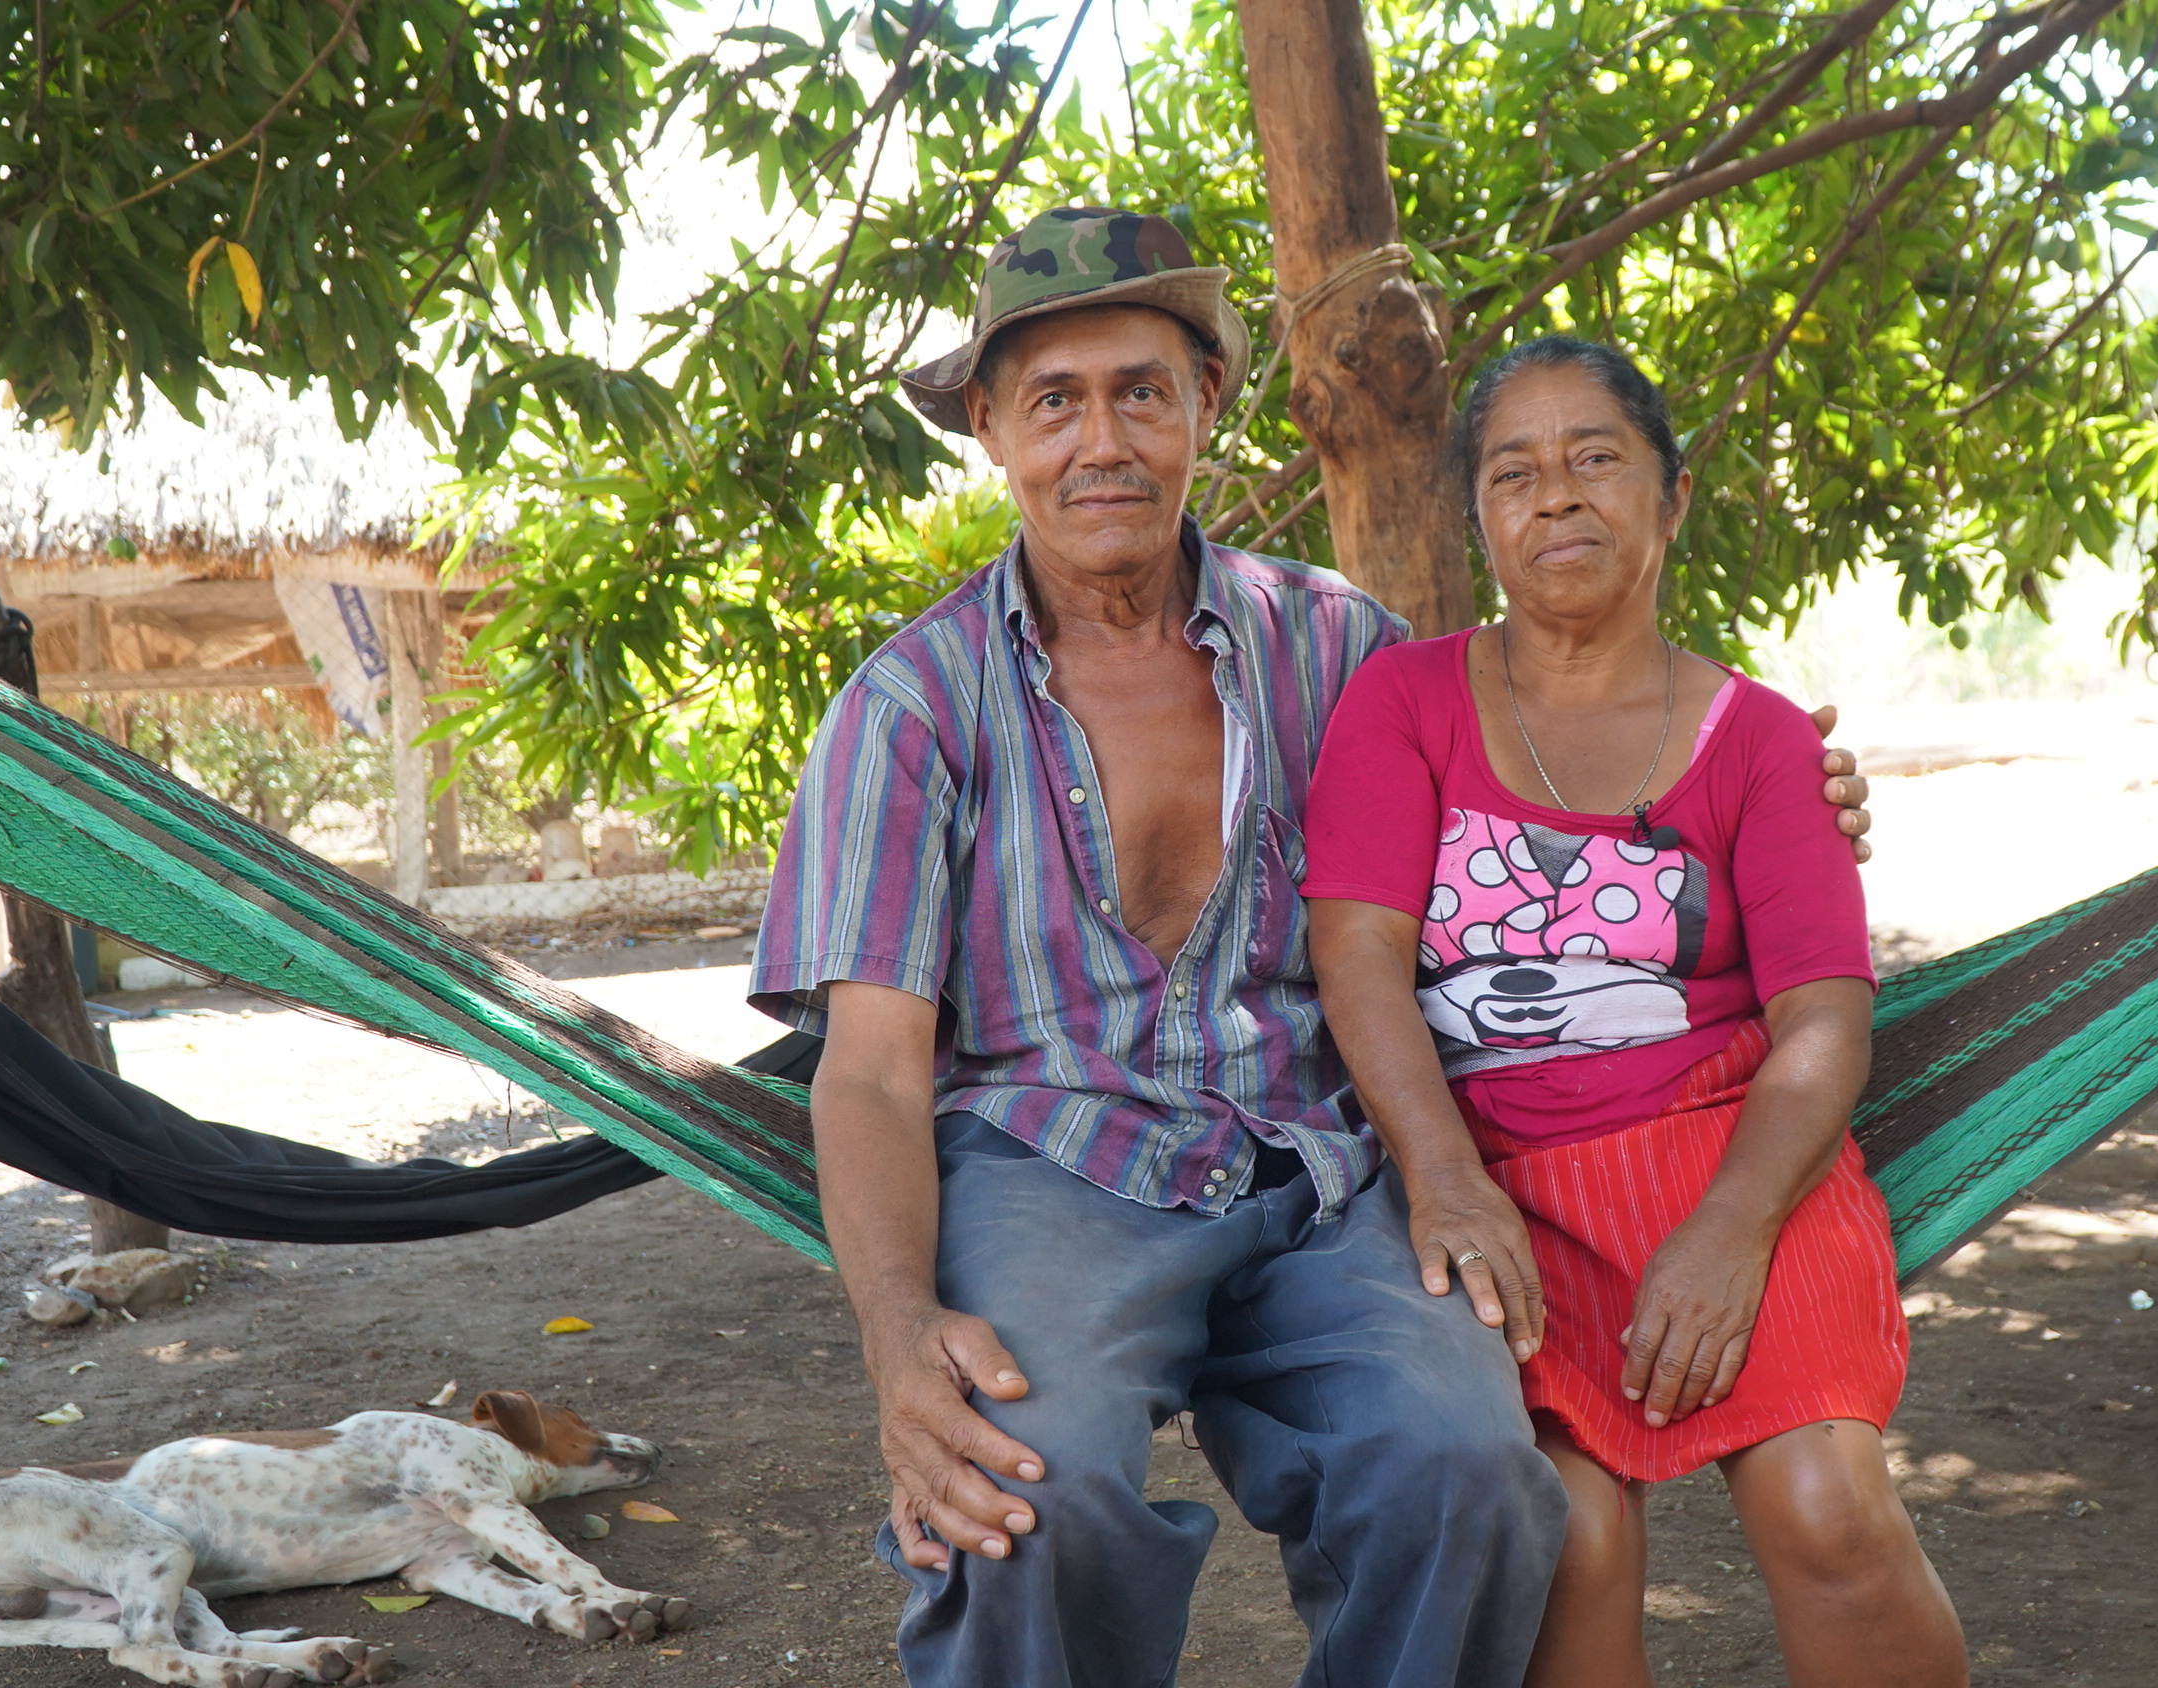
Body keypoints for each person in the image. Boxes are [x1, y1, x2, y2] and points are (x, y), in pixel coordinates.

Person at [751, 209, 1873, 1687]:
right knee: (1018, 1492)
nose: (1104, 440)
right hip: (1054, 1166)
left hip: (1325, 1166)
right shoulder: (910, 709)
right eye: (1054, 400)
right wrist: (902, 1342)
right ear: (988, 430)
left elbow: (1567, 743)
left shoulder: (1338, 646)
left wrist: (1786, 785)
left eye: (1143, 392)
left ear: (1207, 406)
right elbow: (876, 1077)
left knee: (1467, 1468)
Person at [1301, 336, 1967, 1688]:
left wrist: (1730, 1226)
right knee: (1571, 1542)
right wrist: (1441, 1177)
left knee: (1824, 1508)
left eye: (1596, 458)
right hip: (1501, 1190)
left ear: (1669, 501)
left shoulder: (1767, 744)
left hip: (1742, 1165)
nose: (1557, 496)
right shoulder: (1406, 703)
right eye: (1514, 473)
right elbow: (1358, 954)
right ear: (1478, 520)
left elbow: (1824, 1022)